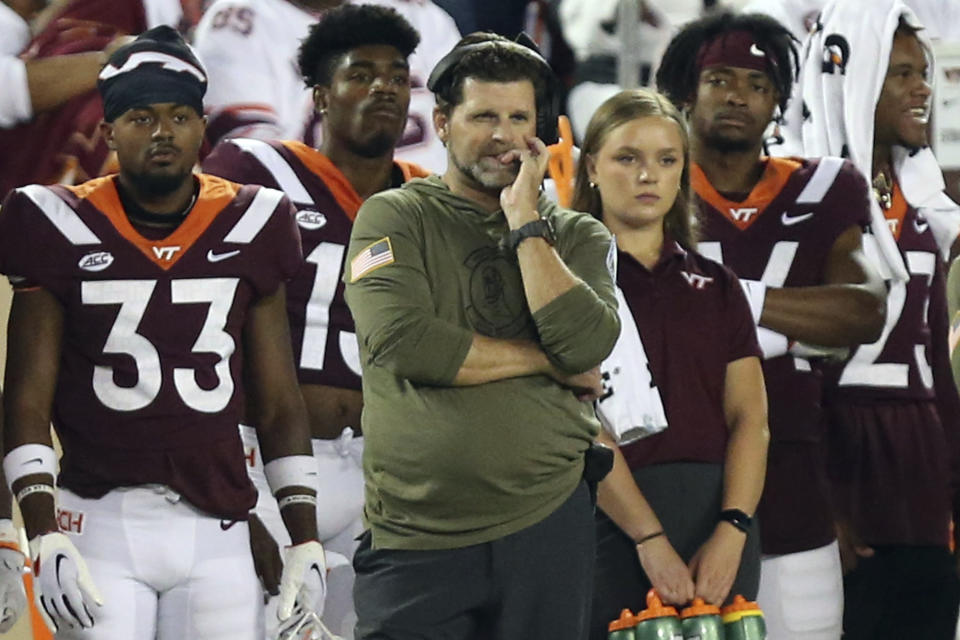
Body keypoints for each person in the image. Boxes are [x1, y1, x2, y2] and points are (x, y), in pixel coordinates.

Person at [0, 26, 327, 640]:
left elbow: (279, 401)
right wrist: (38, 532)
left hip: (217, 524)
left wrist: (302, 533)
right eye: (141, 116)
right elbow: (24, 400)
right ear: (108, 132)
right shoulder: (53, 220)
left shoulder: (256, 218)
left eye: (179, 116)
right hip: (95, 520)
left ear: (203, 127)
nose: (161, 132)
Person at [343, 32, 619, 639]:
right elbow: (403, 343)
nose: (503, 135)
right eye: (483, 116)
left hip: (547, 524)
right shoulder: (393, 216)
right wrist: (543, 363)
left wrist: (526, 221)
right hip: (417, 536)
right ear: (441, 122)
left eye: (519, 117)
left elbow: (585, 346)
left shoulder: (578, 236)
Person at [655, 11, 887, 640]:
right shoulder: (650, 184)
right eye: (721, 78)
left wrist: (728, 299)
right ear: (684, 91)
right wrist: (794, 325)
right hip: (670, 481)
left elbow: (863, 310)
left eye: (758, 84)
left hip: (792, 482)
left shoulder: (825, 187)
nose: (738, 95)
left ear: (779, 101)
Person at [201, 4, 426, 637]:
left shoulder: (428, 201)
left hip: (379, 472)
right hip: (265, 462)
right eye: (362, 73)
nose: (384, 86)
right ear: (321, 95)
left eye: (397, 74)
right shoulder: (253, 175)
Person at [570, 88, 768, 638]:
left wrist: (733, 528)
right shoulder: (564, 283)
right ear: (591, 167)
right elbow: (578, 423)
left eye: (666, 160)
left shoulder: (717, 286)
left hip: (719, 519)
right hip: (610, 520)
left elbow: (750, 420)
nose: (647, 176)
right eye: (626, 157)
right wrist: (647, 538)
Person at [800, 1, 960, 638]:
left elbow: (936, 369)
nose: (924, 87)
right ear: (855, 77)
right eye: (900, 74)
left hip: (919, 462)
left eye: (923, 72)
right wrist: (820, 497)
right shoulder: (801, 194)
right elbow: (787, 371)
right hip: (834, 452)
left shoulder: (929, 209)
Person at [193, 0, 460, 173]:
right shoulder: (238, 23)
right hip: (308, 224)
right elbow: (250, 165)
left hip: (434, 214)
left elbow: (472, 125)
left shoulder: (420, 15)